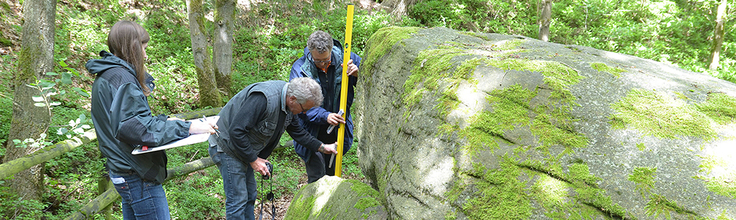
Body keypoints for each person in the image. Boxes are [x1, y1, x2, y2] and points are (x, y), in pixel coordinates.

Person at [86, 20, 216, 219]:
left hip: (122, 169)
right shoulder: (122, 79)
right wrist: (188, 128)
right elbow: (136, 128)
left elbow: (127, 121)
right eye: (143, 49)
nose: (145, 55)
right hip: (136, 173)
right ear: (133, 48)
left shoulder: (106, 75)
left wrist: (168, 123)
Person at [207, 77, 338, 220]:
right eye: (305, 109)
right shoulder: (263, 99)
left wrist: (323, 147)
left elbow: (298, 132)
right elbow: (236, 131)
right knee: (238, 199)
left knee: (250, 196)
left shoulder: (289, 105)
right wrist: (253, 159)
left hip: (243, 149)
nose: (305, 113)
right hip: (227, 147)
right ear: (293, 99)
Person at [289, 30, 361, 183]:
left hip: (339, 130)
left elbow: (371, 80)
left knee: (334, 178)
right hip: (312, 133)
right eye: (317, 61)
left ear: (331, 49)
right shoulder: (300, 68)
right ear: (310, 52)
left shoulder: (348, 59)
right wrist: (325, 115)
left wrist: (358, 74)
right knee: (317, 180)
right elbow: (299, 105)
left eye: (326, 60)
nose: (322, 64)